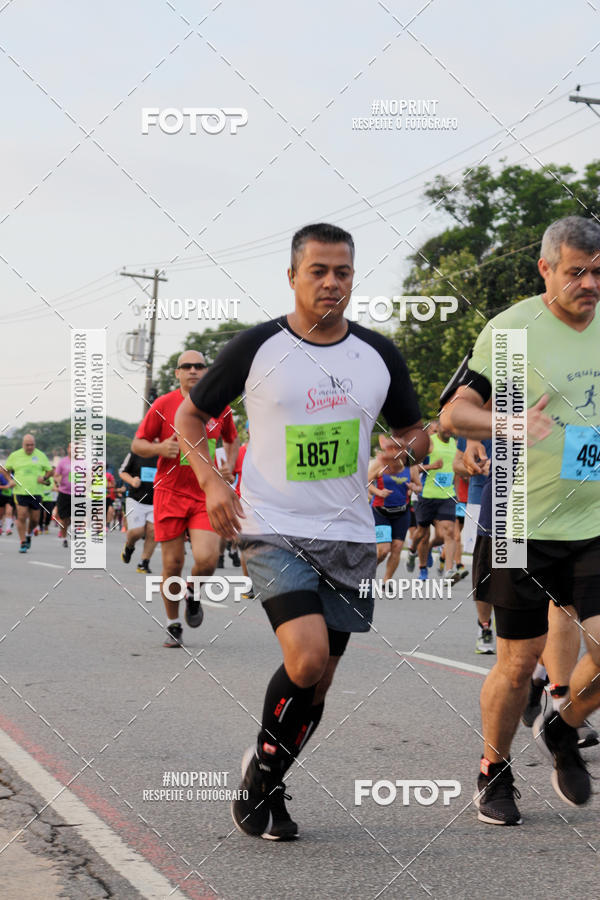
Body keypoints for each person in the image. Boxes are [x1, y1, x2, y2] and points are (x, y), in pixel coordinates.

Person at [174, 222, 428, 841]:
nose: (331, 282)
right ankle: (265, 776)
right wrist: (213, 484)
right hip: (272, 527)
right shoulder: (258, 346)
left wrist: (403, 449)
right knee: (307, 657)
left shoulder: (378, 354)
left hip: (349, 535)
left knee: (319, 682)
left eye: (343, 272)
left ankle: (268, 774)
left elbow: (414, 431)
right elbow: (191, 415)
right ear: (292, 276)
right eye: (318, 271)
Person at [440, 215, 600, 824]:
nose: (590, 284)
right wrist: (506, 422)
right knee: (516, 663)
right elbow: (456, 413)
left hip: (593, 517)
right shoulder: (511, 332)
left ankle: (563, 725)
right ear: (546, 269)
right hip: (518, 518)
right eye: (577, 272)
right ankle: (494, 769)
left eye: (599, 273)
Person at [132, 350, 239, 647]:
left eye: (199, 366)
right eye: (186, 366)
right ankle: (173, 623)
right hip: (169, 493)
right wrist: (158, 449)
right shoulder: (163, 405)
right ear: (177, 373)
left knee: (207, 560)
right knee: (173, 563)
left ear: (207, 371)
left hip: (205, 493)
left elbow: (232, 439)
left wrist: (229, 465)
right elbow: (138, 444)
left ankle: (193, 592)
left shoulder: (220, 405)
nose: (193, 370)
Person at [368, 435, 422, 582]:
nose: (396, 452)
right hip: (381, 511)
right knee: (383, 551)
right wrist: (379, 492)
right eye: (392, 448)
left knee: (397, 547)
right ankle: (366, 572)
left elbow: (419, 487)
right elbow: (366, 482)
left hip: (402, 512)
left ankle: (386, 581)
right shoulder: (380, 464)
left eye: (400, 449)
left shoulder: (410, 467)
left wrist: (414, 487)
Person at [412, 421, 460, 582]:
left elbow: (456, 469)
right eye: (433, 430)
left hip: (446, 496)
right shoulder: (427, 444)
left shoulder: (455, 444)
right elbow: (413, 468)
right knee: (423, 535)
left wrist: (456, 492)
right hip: (425, 495)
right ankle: (419, 562)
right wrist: (431, 466)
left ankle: (449, 571)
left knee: (446, 533)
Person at [1, 434, 54, 553]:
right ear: (22, 444)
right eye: (27, 445)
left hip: (36, 492)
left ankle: (29, 533)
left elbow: (50, 471)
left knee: (35, 519)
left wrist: (44, 478)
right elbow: (4, 469)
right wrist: (10, 480)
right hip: (20, 491)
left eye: (32, 445)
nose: (30, 447)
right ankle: (23, 541)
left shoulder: (41, 455)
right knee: (21, 516)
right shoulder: (15, 455)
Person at [119, 448, 158, 573]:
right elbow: (122, 472)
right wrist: (132, 480)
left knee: (153, 531)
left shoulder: (165, 455)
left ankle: (143, 562)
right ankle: (129, 546)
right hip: (136, 499)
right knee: (137, 532)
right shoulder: (135, 453)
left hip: (157, 500)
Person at [53, 444, 72, 548]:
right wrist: (58, 480)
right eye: (71, 448)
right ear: (68, 449)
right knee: (64, 518)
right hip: (64, 493)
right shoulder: (62, 462)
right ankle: (64, 538)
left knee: (76, 517)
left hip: (78, 494)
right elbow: (56, 476)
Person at [0, 470, 16, 535]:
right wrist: (6, 487)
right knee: (1, 514)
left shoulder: (13, 476)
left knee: (9, 512)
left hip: (10, 496)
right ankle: (0, 527)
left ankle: (8, 529)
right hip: (1, 496)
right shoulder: (1, 475)